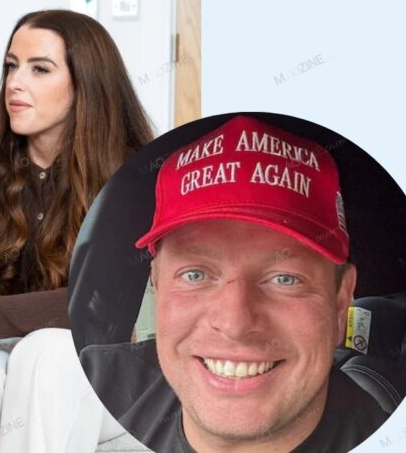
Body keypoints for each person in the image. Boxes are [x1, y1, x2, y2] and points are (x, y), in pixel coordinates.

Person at [80, 115, 389, 452]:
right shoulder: (87, 386)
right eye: (195, 275)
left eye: (285, 279)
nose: (235, 324)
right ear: (157, 282)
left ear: (341, 299)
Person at [0, 9, 155, 453]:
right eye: (11, 66)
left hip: (105, 372)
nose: (15, 83)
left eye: (39, 69)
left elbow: (102, 303)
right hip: (15, 359)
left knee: (46, 352)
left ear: (85, 83)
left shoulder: (137, 176)